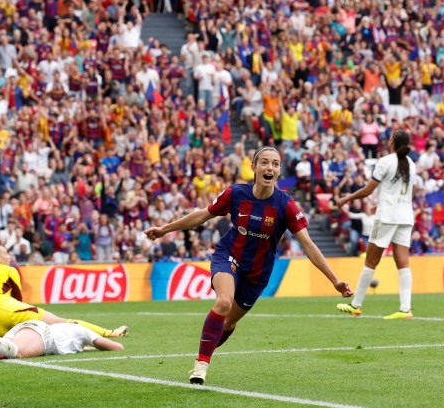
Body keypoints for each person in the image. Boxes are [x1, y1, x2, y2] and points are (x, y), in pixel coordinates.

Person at [145, 146, 353, 385]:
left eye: (275, 164)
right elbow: (203, 215)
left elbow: (307, 244)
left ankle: (205, 352)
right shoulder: (235, 194)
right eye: (264, 162)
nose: (270, 167)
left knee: (228, 323)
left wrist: (334, 279)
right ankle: (201, 364)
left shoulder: (286, 205)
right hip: (229, 256)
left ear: (279, 171)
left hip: (258, 273)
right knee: (223, 302)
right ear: (253, 167)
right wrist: (164, 229)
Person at [0, 244, 128, 339]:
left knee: (26, 341)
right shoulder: (9, 269)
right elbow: (17, 298)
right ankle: (109, 333)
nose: (10, 256)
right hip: (5, 311)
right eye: (6, 253)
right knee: (61, 323)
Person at [334, 129, 417, 320]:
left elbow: (367, 190)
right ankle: (405, 309)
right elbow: (407, 192)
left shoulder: (386, 161)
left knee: (371, 261)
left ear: (393, 143)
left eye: (389, 139)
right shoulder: (411, 164)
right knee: (402, 262)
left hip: (387, 217)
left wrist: (346, 199)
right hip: (405, 217)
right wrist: (381, 203)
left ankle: (356, 305)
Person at [0, 320, 124, 366]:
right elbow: (117, 347)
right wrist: (97, 343)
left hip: (31, 328)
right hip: (46, 336)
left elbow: (83, 346)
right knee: (17, 352)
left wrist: (88, 347)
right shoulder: (83, 330)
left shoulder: (72, 333)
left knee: (2, 353)